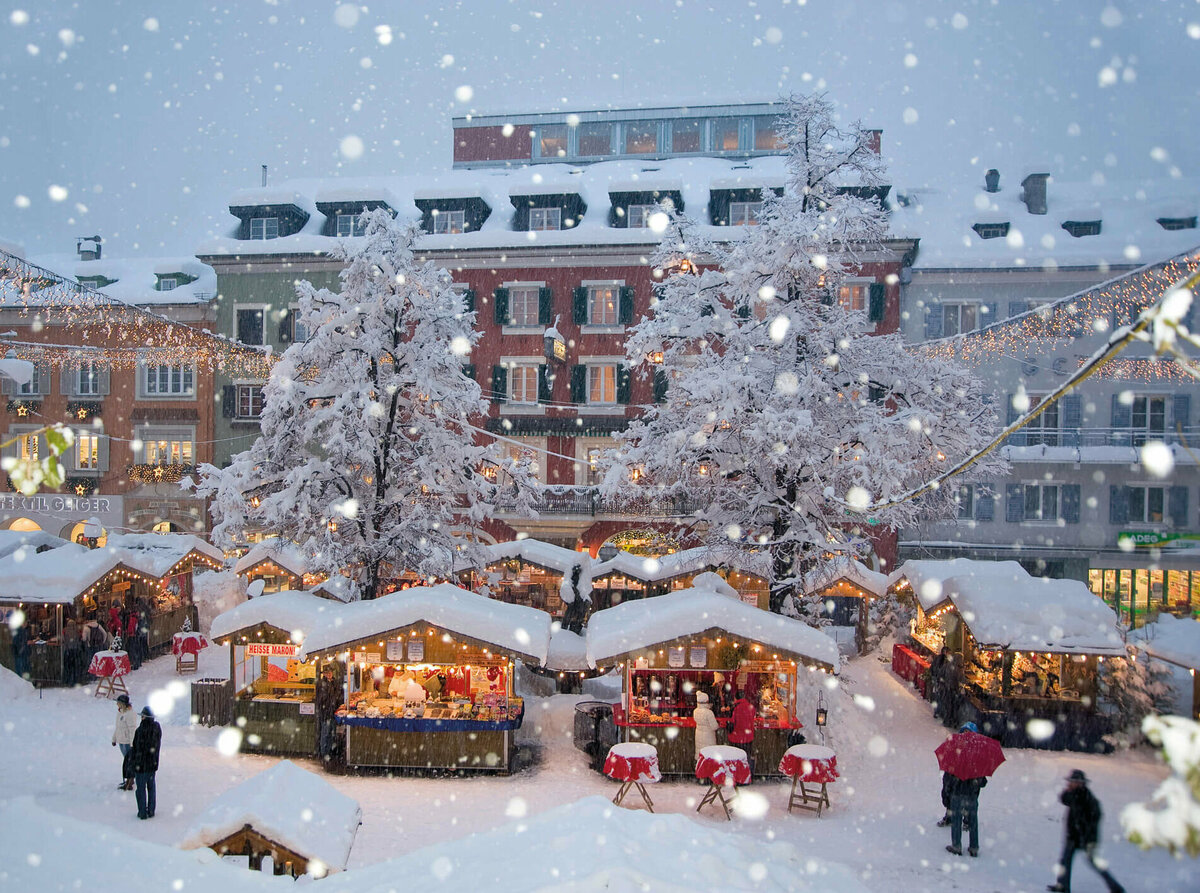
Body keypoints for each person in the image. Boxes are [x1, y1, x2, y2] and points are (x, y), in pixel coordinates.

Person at [1048, 770, 1125, 893]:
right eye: (1070, 782)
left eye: (1072, 782)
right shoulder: (1075, 794)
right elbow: (1063, 799)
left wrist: (1085, 833)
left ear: (1079, 783)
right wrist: (1068, 790)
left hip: (1085, 838)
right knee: (1065, 861)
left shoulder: (1087, 798)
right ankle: (1062, 886)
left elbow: (1095, 817)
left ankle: (1116, 888)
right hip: (1073, 836)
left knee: (1094, 863)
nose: (1070, 784)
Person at [945, 724, 986, 858]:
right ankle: (974, 847)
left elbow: (949, 776)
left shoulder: (955, 752)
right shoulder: (980, 755)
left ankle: (956, 845)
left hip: (958, 793)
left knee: (956, 820)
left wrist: (950, 788)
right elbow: (983, 782)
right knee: (973, 821)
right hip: (972, 795)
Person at [130, 706, 162, 820]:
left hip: (141, 765)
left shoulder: (140, 731)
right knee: (151, 787)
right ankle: (151, 810)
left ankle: (142, 812)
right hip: (152, 764)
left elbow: (136, 748)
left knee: (141, 789)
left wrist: (133, 763)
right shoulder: (157, 728)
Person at [111, 693, 138, 790]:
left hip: (127, 742)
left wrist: (132, 743)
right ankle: (129, 779)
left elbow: (132, 729)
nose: (117, 704)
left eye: (118, 703)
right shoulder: (120, 713)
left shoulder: (130, 714)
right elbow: (118, 728)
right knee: (127, 762)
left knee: (130, 762)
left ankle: (130, 781)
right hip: (121, 741)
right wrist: (114, 739)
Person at [728, 688, 757, 777]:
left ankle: (737, 776)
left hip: (736, 737)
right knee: (746, 757)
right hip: (748, 737)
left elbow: (732, 723)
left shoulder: (735, 708)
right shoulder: (751, 707)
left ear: (736, 698)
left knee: (736, 758)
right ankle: (746, 776)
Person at [314, 664, 340, 762]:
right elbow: (322, 699)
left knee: (331, 733)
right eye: (327, 673)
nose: (329, 674)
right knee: (325, 733)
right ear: (324, 674)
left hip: (333, 712)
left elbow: (338, 694)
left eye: (330, 672)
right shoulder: (321, 683)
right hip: (325, 712)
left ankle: (329, 752)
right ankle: (324, 753)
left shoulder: (335, 682)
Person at [692, 691, 719, 767]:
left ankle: (700, 770)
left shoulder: (695, 711)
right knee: (709, 754)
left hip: (698, 734)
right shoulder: (709, 713)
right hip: (708, 736)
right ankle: (709, 772)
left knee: (700, 753)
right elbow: (714, 726)